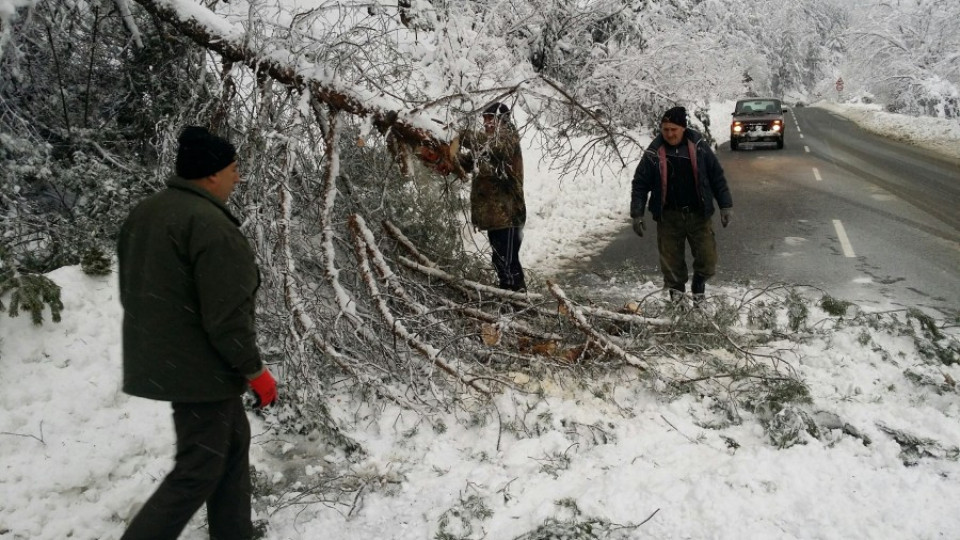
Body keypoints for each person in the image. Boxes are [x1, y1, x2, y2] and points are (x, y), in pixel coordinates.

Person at [117, 126, 278, 539]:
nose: (237, 177)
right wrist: (254, 370)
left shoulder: (147, 213)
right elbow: (227, 316)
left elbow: (136, 289)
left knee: (232, 447)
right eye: (233, 169)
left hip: (173, 361)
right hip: (200, 369)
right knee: (198, 469)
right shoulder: (209, 225)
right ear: (211, 175)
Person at [630, 106, 733, 300]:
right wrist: (637, 213)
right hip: (669, 217)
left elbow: (716, 176)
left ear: (683, 128)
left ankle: (698, 286)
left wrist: (725, 205)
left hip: (698, 214)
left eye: (673, 129)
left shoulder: (699, 146)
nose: (669, 134)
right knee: (672, 267)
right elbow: (640, 183)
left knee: (708, 261)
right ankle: (677, 306)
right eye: (665, 129)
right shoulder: (654, 151)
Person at [456, 102, 527, 291]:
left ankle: (518, 302)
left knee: (507, 262)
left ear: (502, 120)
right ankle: (511, 299)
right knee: (499, 261)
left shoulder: (507, 138)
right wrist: (446, 152)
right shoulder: (485, 144)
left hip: (509, 214)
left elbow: (497, 149)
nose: (486, 123)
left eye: (490, 118)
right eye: (484, 119)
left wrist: (462, 135)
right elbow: (467, 163)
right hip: (494, 216)